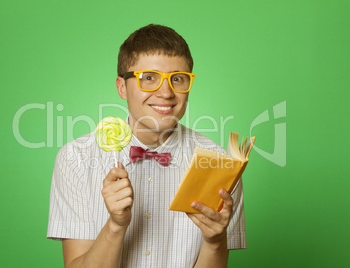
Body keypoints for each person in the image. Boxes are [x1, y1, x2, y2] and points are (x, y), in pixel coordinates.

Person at [47, 24, 246, 268]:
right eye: (148, 78)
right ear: (122, 87)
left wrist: (215, 241)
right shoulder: (75, 159)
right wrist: (115, 225)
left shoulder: (220, 163)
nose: (165, 92)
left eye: (178, 79)